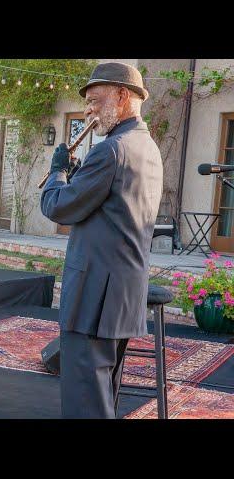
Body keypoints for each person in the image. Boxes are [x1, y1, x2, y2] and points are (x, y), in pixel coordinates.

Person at [40, 62, 163, 419]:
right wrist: (77, 177)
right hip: (121, 297)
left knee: (85, 406)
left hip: (95, 298)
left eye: (95, 100)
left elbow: (58, 206)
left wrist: (57, 171)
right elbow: (106, 208)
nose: (88, 110)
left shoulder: (110, 150)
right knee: (101, 400)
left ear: (123, 96)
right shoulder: (146, 146)